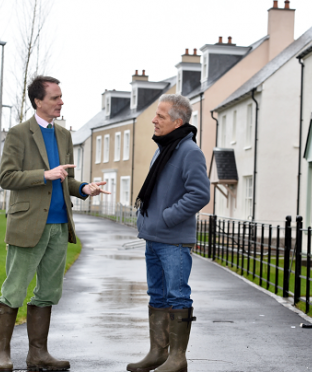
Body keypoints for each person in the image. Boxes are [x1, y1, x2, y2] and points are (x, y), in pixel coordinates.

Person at [0, 75, 109, 372]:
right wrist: (44, 174)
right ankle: (2, 354)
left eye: (60, 96)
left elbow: (65, 178)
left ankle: (38, 354)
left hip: (60, 225)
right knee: (15, 290)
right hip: (28, 224)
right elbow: (6, 178)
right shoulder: (19, 134)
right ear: (38, 101)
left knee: (48, 292)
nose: (61, 102)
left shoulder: (64, 135)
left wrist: (84, 188)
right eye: (55, 97)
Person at [127, 94, 210, 372]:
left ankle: (177, 359)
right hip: (153, 238)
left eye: (160, 116)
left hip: (173, 240)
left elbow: (199, 194)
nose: (154, 120)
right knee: (157, 295)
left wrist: (167, 217)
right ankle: (157, 353)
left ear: (177, 121)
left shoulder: (189, 151)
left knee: (177, 296)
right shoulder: (164, 147)